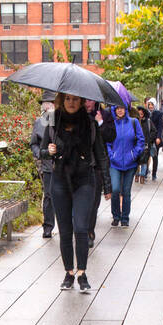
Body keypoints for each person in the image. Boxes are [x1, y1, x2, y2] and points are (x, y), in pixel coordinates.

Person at [44, 92, 106, 292]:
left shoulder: (90, 124)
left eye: (75, 99)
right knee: (65, 230)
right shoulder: (53, 122)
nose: (71, 102)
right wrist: (48, 151)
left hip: (84, 179)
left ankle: (82, 273)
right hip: (60, 180)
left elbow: (100, 156)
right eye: (68, 99)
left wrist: (108, 186)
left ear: (81, 101)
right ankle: (69, 273)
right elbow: (39, 148)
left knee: (81, 227)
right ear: (63, 100)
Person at [107, 99, 146, 227]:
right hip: (115, 163)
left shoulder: (134, 122)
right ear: (114, 109)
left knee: (126, 191)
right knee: (116, 188)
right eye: (117, 108)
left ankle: (125, 217)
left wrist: (134, 154)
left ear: (126, 109)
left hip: (130, 163)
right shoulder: (111, 123)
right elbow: (106, 141)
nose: (120, 110)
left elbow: (141, 140)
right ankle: (116, 215)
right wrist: (111, 154)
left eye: (122, 107)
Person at [82, 99, 115, 247]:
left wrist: (100, 124)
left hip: (95, 167)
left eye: (90, 101)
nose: (87, 104)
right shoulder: (75, 118)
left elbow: (111, 136)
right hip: (78, 168)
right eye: (85, 100)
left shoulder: (105, 115)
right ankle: (81, 230)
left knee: (93, 204)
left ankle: (89, 231)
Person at [30, 99, 55, 238]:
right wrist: (40, 153)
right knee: (49, 196)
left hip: (64, 165)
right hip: (47, 165)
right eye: (46, 103)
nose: (48, 106)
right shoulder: (39, 122)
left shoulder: (64, 120)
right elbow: (33, 143)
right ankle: (48, 227)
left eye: (51, 103)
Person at [145, 98, 162, 182]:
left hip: (155, 138)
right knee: (146, 155)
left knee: (155, 156)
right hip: (147, 137)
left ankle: (154, 174)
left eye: (152, 105)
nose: (150, 106)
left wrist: (159, 137)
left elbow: (160, 127)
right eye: (149, 105)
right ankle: (145, 172)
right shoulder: (146, 113)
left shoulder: (158, 114)